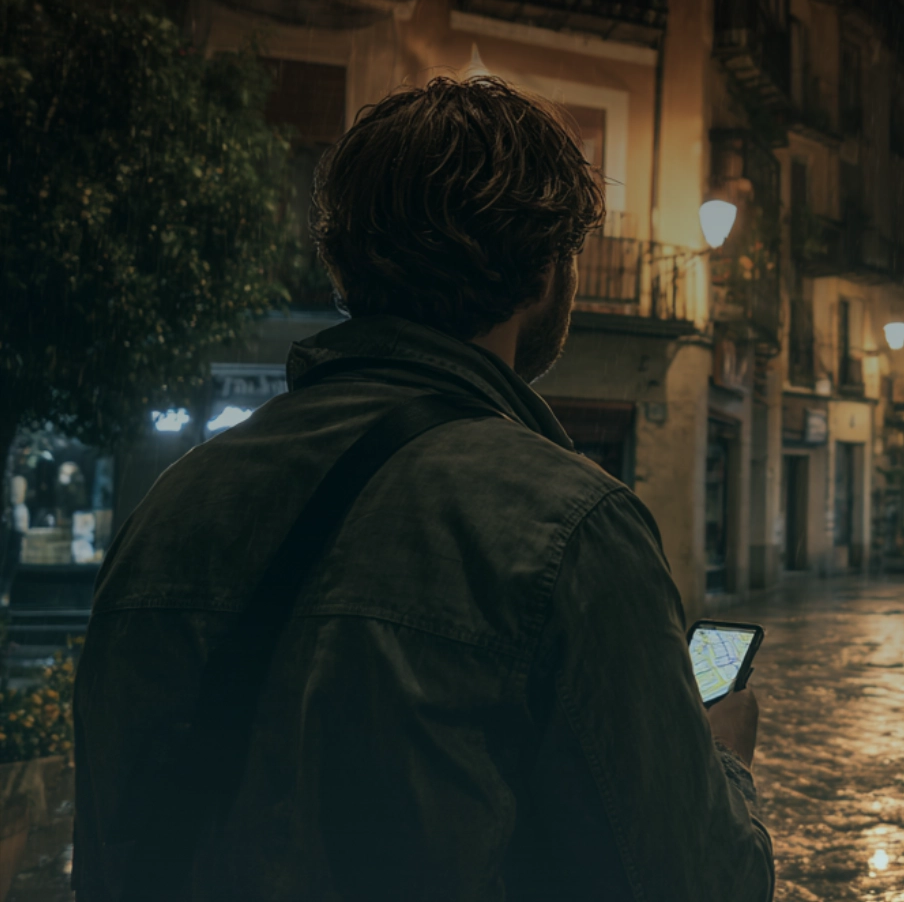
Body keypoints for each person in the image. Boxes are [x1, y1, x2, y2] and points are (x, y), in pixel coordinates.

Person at [73, 78, 774, 900]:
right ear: (546, 274)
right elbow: (701, 882)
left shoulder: (171, 504)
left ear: (345, 264)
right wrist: (721, 756)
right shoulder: (573, 527)